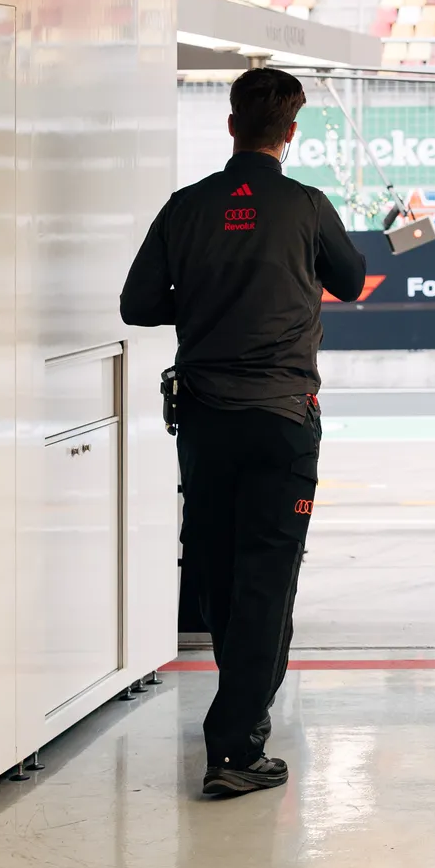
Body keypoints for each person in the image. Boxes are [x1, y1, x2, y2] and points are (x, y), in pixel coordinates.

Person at [121, 65, 366, 799]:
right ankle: (233, 749)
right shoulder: (307, 206)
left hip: (202, 421)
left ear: (231, 126)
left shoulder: (186, 206)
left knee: (221, 575)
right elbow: (351, 282)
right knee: (266, 578)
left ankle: (238, 724)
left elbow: (138, 305)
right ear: (289, 134)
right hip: (283, 421)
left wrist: (205, 302)